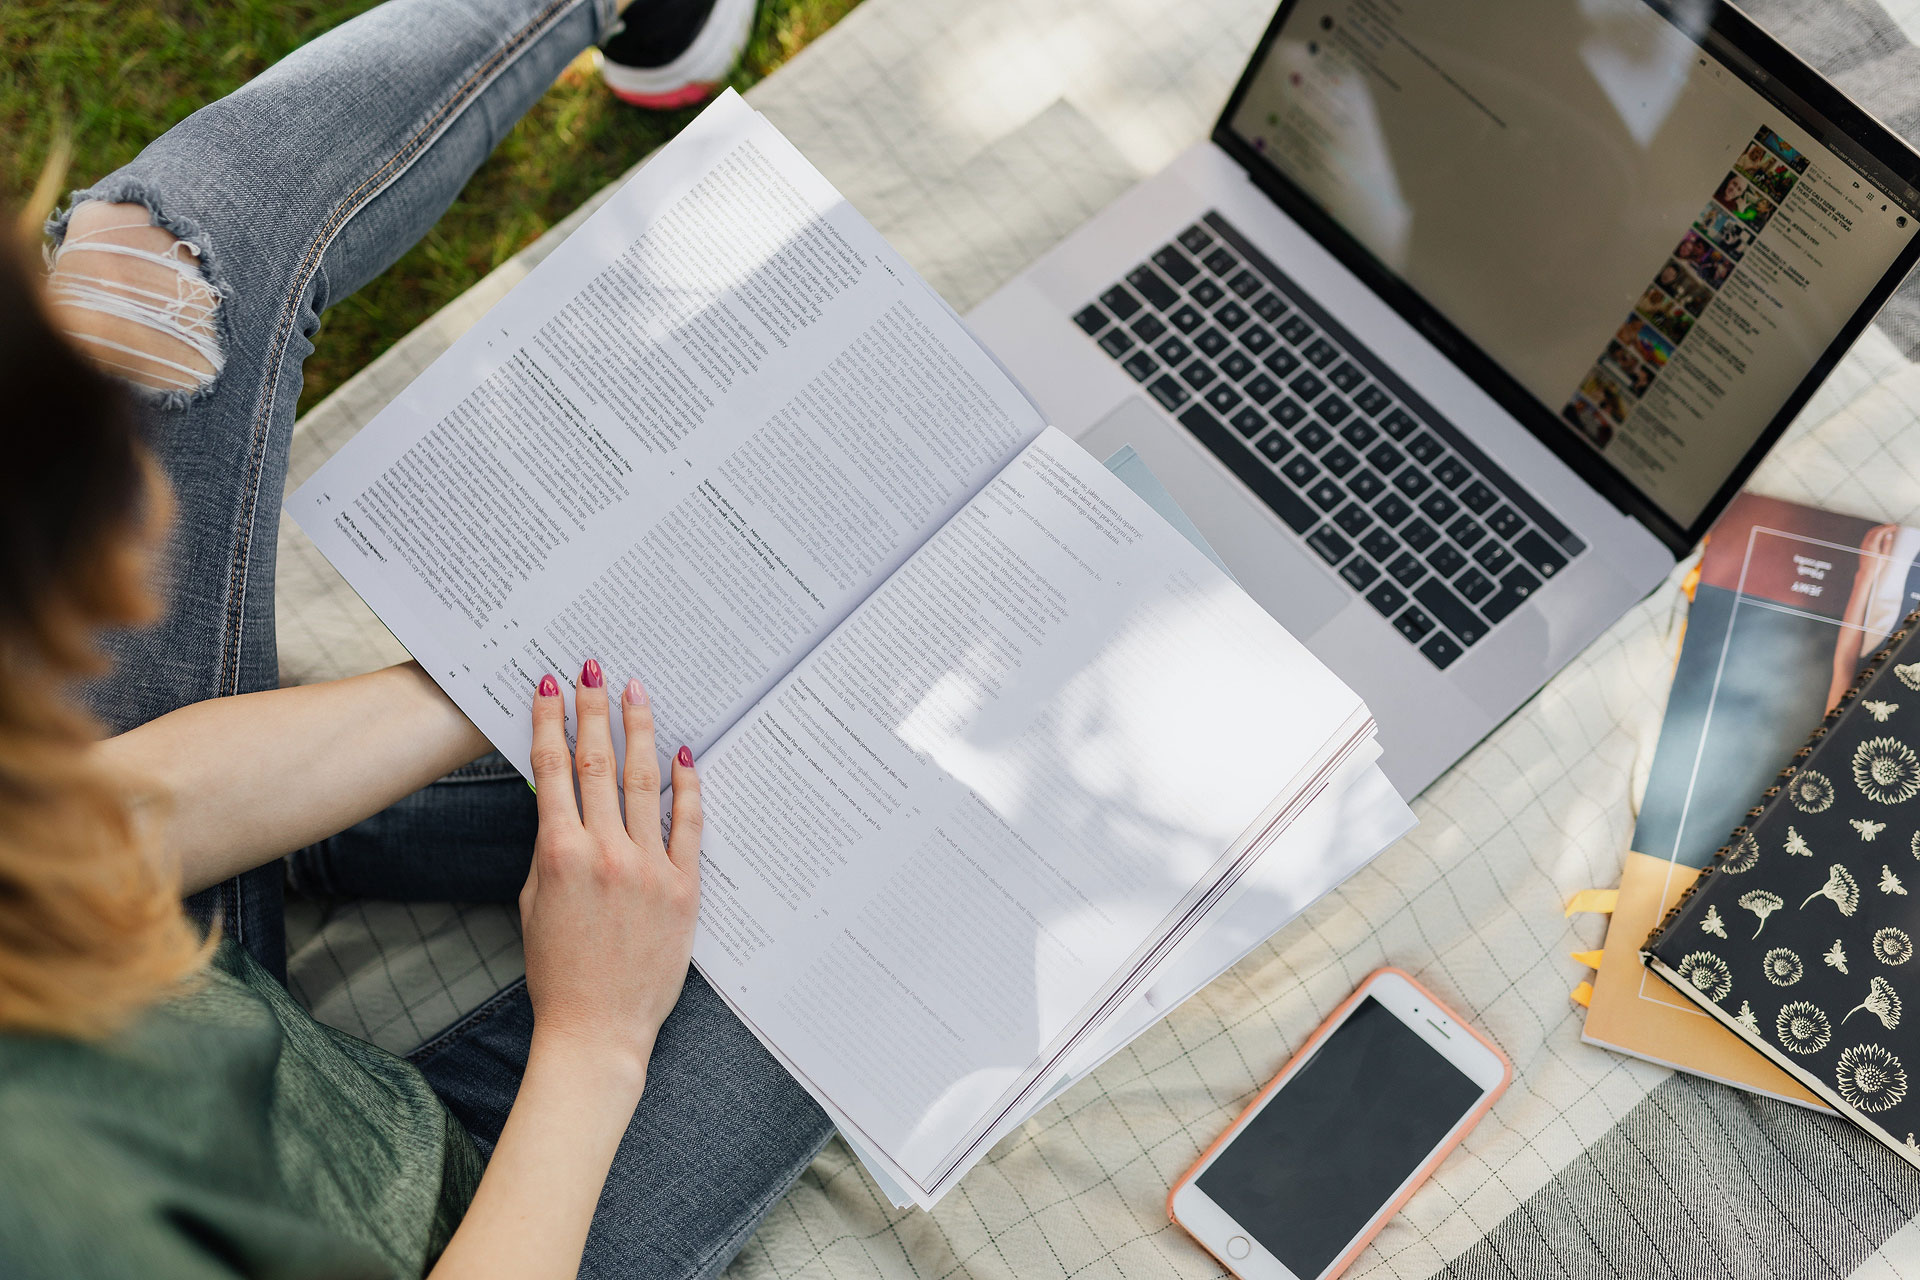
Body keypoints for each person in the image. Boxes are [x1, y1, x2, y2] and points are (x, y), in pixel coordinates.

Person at [0, 0, 834, 1276]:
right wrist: (593, 1037)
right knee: (861, 841)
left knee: (138, 279)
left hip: (186, 1004)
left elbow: (87, 827)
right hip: (482, 1228)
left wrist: (489, 665)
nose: (134, 581)